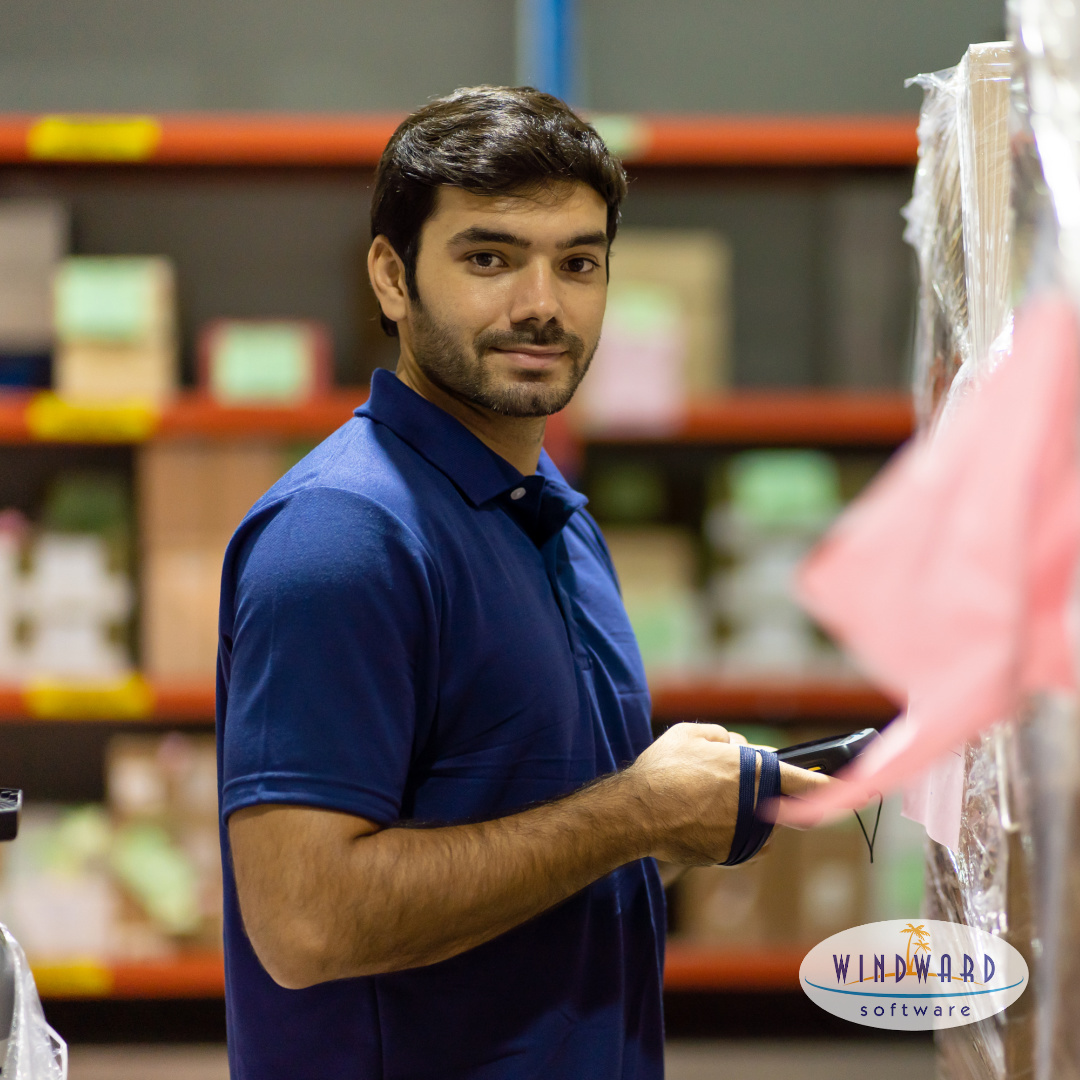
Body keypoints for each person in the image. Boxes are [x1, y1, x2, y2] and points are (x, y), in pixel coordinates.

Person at [217, 85, 828, 1079]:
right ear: (391, 277)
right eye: (490, 258)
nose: (542, 304)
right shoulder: (342, 535)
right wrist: (636, 815)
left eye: (579, 263)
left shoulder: (546, 507)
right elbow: (305, 921)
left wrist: (684, 804)